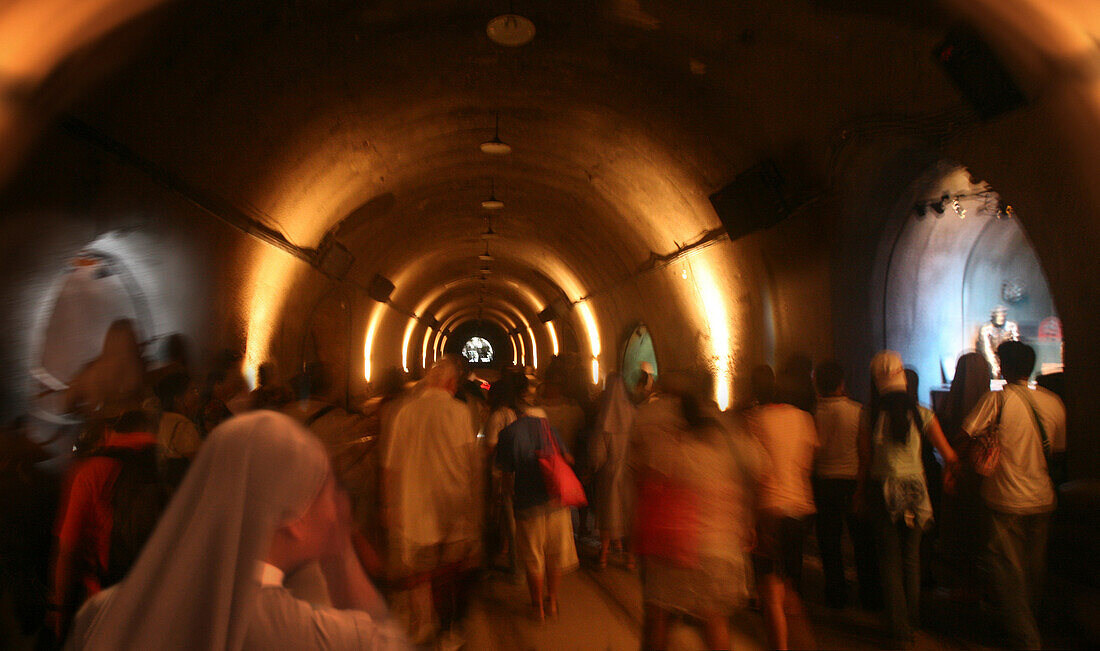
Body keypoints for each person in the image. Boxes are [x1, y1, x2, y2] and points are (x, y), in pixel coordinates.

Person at [64, 411, 407, 650]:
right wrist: (342, 553)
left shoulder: (101, 612)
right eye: (329, 490)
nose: (337, 505)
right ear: (294, 518)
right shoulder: (315, 635)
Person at [631, 371, 765, 650]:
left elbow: (643, 477)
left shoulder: (667, 440)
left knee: (659, 617)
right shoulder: (727, 433)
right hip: (721, 549)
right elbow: (760, 467)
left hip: (675, 547)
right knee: (714, 621)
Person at [963, 341, 1066, 649]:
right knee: (1033, 572)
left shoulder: (996, 400)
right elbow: (1058, 454)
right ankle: (1026, 625)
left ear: (1002, 366)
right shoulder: (1053, 403)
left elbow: (965, 434)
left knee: (1009, 574)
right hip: (1042, 499)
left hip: (1004, 499)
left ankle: (1026, 639)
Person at [857, 351, 958, 646]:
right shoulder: (922, 413)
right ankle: (912, 623)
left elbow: (864, 461)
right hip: (916, 491)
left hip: (882, 489)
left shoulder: (869, 414)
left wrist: (859, 494)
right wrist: (949, 475)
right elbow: (949, 455)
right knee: (912, 558)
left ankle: (899, 629)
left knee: (889, 561)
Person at [381, 357, 482, 645]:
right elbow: (470, 463)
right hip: (453, 509)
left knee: (420, 573)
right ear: (451, 384)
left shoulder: (405, 413)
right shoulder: (461, 412)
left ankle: (423, 623)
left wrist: (389, 507)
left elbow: (390, 467)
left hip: (415, 509)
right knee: (450, 575)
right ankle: (449, 632)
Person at [50, 409, 164, 639]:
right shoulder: (164, 463)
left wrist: (59, 608)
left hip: (106, 591)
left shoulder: (90, 471)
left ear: (106, 431)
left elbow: (68, 548)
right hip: (159, 589)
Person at [744, 364, 818, 650]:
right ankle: (801, 638)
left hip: (769, 511)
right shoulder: (805, 419)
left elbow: (754, 471)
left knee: (770, 590)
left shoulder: (757, 419)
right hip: (800, 510)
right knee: (791, 582)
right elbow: (806, 467)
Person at [495, 371, 578, 624]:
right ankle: (552, 602)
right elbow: (569, 460)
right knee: (555, 556)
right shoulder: (549, 428)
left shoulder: (509, 433)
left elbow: (506, 473)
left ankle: (537, 608)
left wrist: (507, 495)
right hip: (555, 501)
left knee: (534, 558)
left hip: (527, 504)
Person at [811, 360, 879, 610]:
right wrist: (862, 489)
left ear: (817, 383)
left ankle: (836, 592)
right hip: (852, 481)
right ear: (842, 383)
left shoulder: (812, 412)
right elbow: (864, 452)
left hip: (824, 482)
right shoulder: (857, 411)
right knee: (863, 543)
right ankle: (870, 595)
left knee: (829, 542)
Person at [935, 353, 991, 604]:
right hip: (984, 481)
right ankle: (980, 590)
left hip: (957, 477)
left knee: (959, 535)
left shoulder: (949, 406)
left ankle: (960, 589)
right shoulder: (991, 405)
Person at [588, 373, 636, 570]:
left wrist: (593, 468)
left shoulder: (604, 419)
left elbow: (598, 453)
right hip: (629, 473)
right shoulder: (634, 414)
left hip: (609, 474)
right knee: (628, 515)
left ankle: (604, 555)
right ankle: (630, 558)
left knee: (608, 515)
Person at [153, 371, 202, 486]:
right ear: (178, 398)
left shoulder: (161, 420)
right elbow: (197, 461)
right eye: (193, 391)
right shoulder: (182, 424)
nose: (197, 395)